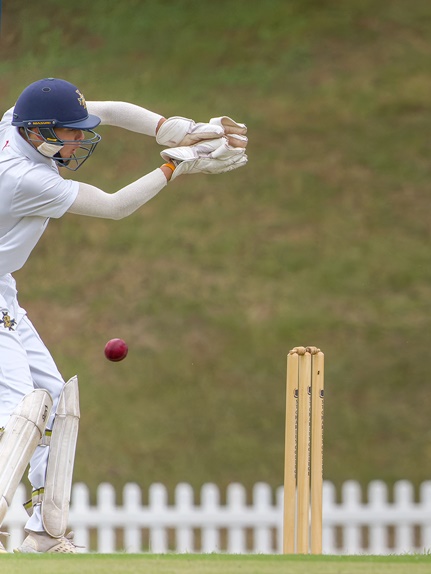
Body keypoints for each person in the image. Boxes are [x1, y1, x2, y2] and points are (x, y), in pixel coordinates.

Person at [0, 77, 248, 553]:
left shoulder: (18, 120)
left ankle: (43, 533)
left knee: (55, 403)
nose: (80, 139)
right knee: (20, 415)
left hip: (3, 288)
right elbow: (114, 207)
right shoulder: (23, 177)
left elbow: (107, 110)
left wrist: (173, 128)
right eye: (70, 133)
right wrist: (178, 164)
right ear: (38, 133)